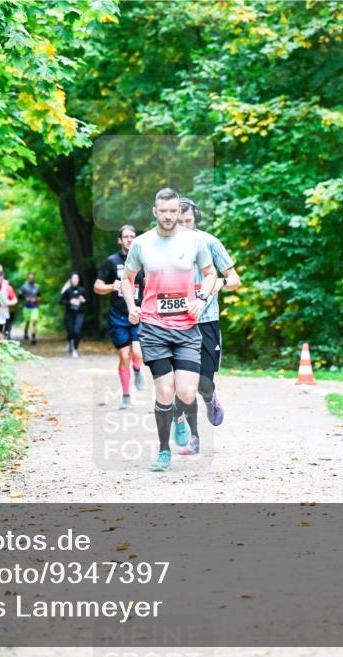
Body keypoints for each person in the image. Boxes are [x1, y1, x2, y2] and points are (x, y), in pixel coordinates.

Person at [122, 187, 216, 472]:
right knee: (164, 390)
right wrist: (131, 305)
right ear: (155, 212)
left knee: (186, 393)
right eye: (163, 211)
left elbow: (211, 274)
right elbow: (128, 279)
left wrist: (202, 298)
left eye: (173, 211)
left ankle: (179, 416)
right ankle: (164, 450)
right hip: (154, 327)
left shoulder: (194, 241)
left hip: (187, 327)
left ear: (179, 211)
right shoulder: (141, 244)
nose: (168, 216)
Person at [171, 197, 241, 451]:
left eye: (188, 221)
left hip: (207, 321)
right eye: (179, 222)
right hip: (179, 323)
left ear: (195, 219)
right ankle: (194, 437)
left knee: (204, 384)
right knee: (182, 385)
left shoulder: (209, 242)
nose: (183, 227)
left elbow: (234, 279)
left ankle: (211, 400)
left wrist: (218, 284)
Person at [94, 225, 147, 410]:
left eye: (133, 236)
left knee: (138, 353)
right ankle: (126, 395)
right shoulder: (111, 262)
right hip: (118, 316)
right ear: (119, 240)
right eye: (126, 236)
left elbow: (151, 285)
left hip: (138, 314)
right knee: (124, 356)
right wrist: (112, 286)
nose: (129, 239)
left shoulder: (143, 261)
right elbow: (97, 286)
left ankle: (138, 369)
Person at [59, 272, 86, 358]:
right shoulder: (67, 290)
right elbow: (61, 301)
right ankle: (70, 341)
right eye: (74, 278)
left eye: (77, 278)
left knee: (77, 331)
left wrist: (83, 300)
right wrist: (69, 302)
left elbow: (87, 302)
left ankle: (75, 349)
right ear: (71, 280)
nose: (76, 280)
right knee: (70, 331)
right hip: (69, 314)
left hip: (79, 314)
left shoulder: (82, 290)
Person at [20, 272, 41, 345]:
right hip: (26, 307)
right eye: (30, 277)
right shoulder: (24, 287)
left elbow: (39, 296)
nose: (31, 278)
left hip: (34, 307)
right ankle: (26, 332)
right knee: (27, 321)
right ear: (28, 278)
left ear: (34, 278)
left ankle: (33, 336)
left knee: (34, 321)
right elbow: (20, 295)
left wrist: (37, 300)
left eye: (33, 277)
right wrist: (26, 298)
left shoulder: (37, 287)